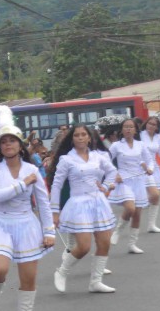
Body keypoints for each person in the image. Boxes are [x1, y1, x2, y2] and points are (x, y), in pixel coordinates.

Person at [0, 106, 55, 311]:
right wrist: (23, 184)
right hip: (0, 222)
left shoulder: (32, 169)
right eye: (4, 142)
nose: (8, 145)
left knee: (29, 277)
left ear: (20, 145)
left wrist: (49, 231)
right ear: (0, 147)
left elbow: (42, 201)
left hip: (26, 223)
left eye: (12, 141)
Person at [47, 125, 117, 294]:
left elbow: (112, 171)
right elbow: (56, 185)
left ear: (89, 138)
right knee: (84, 246)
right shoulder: (66, 160)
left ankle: (95, 282)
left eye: (83, 134)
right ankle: (62, 271)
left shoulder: (97, 156)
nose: (80, 137)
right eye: (76, 135)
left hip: (98, 202)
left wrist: (106, 186)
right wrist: (55, 212)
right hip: (78, 204)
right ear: (72, 139)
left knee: (104, 243)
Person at [108, 118, 152, 254]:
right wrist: (115, 174)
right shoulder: (116, 145)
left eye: (131, 127)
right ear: (122, 130)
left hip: (138, 180)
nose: (128, 129)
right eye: (125, 127)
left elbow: (149, 160)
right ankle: (117, 231)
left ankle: (132, 244)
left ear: (135, 130)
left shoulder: (141, 145)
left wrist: (149, 168)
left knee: (137, 213)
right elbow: (106, 161)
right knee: (130, 208)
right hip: (124, 180)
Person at [140, 115, 160, 228]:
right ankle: (139, 203)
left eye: (154, 124)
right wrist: (142, 164)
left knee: (156, 196)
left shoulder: (158, 136)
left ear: (157, 127)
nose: (151, 126)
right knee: (154, 194)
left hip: (154, 167)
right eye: (149, 123)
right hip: (142, 167)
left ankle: (152, 224)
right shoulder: (141, 135)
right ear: (146, 123)